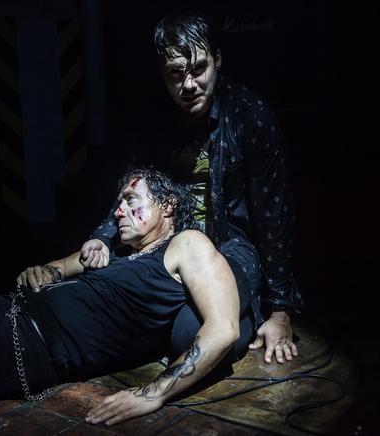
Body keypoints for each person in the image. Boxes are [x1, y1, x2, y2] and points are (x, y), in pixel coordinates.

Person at [0, 168, 245, 425]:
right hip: (1, 310)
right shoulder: (114, 250)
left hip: (24, 345)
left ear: (168, 205)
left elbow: (223, 329)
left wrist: (153, 393)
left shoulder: (186, 244)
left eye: (131, 201)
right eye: (118, 205)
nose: (118, 212)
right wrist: (41, 271)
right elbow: (57, 266)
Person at [74, 12, 302, 365]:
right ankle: (228, 318)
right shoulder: (155, 119)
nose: (189, 84)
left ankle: (236, 313)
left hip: (232, 247)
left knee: (187, 334)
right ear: (163, 74)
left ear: (217, 60)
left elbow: (273, 215)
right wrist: (104, 236)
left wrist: (280, 310)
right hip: (167, 247)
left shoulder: (250, 116)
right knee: (100, 302)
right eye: (176, 74)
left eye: (198, 69)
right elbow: (135, 184)